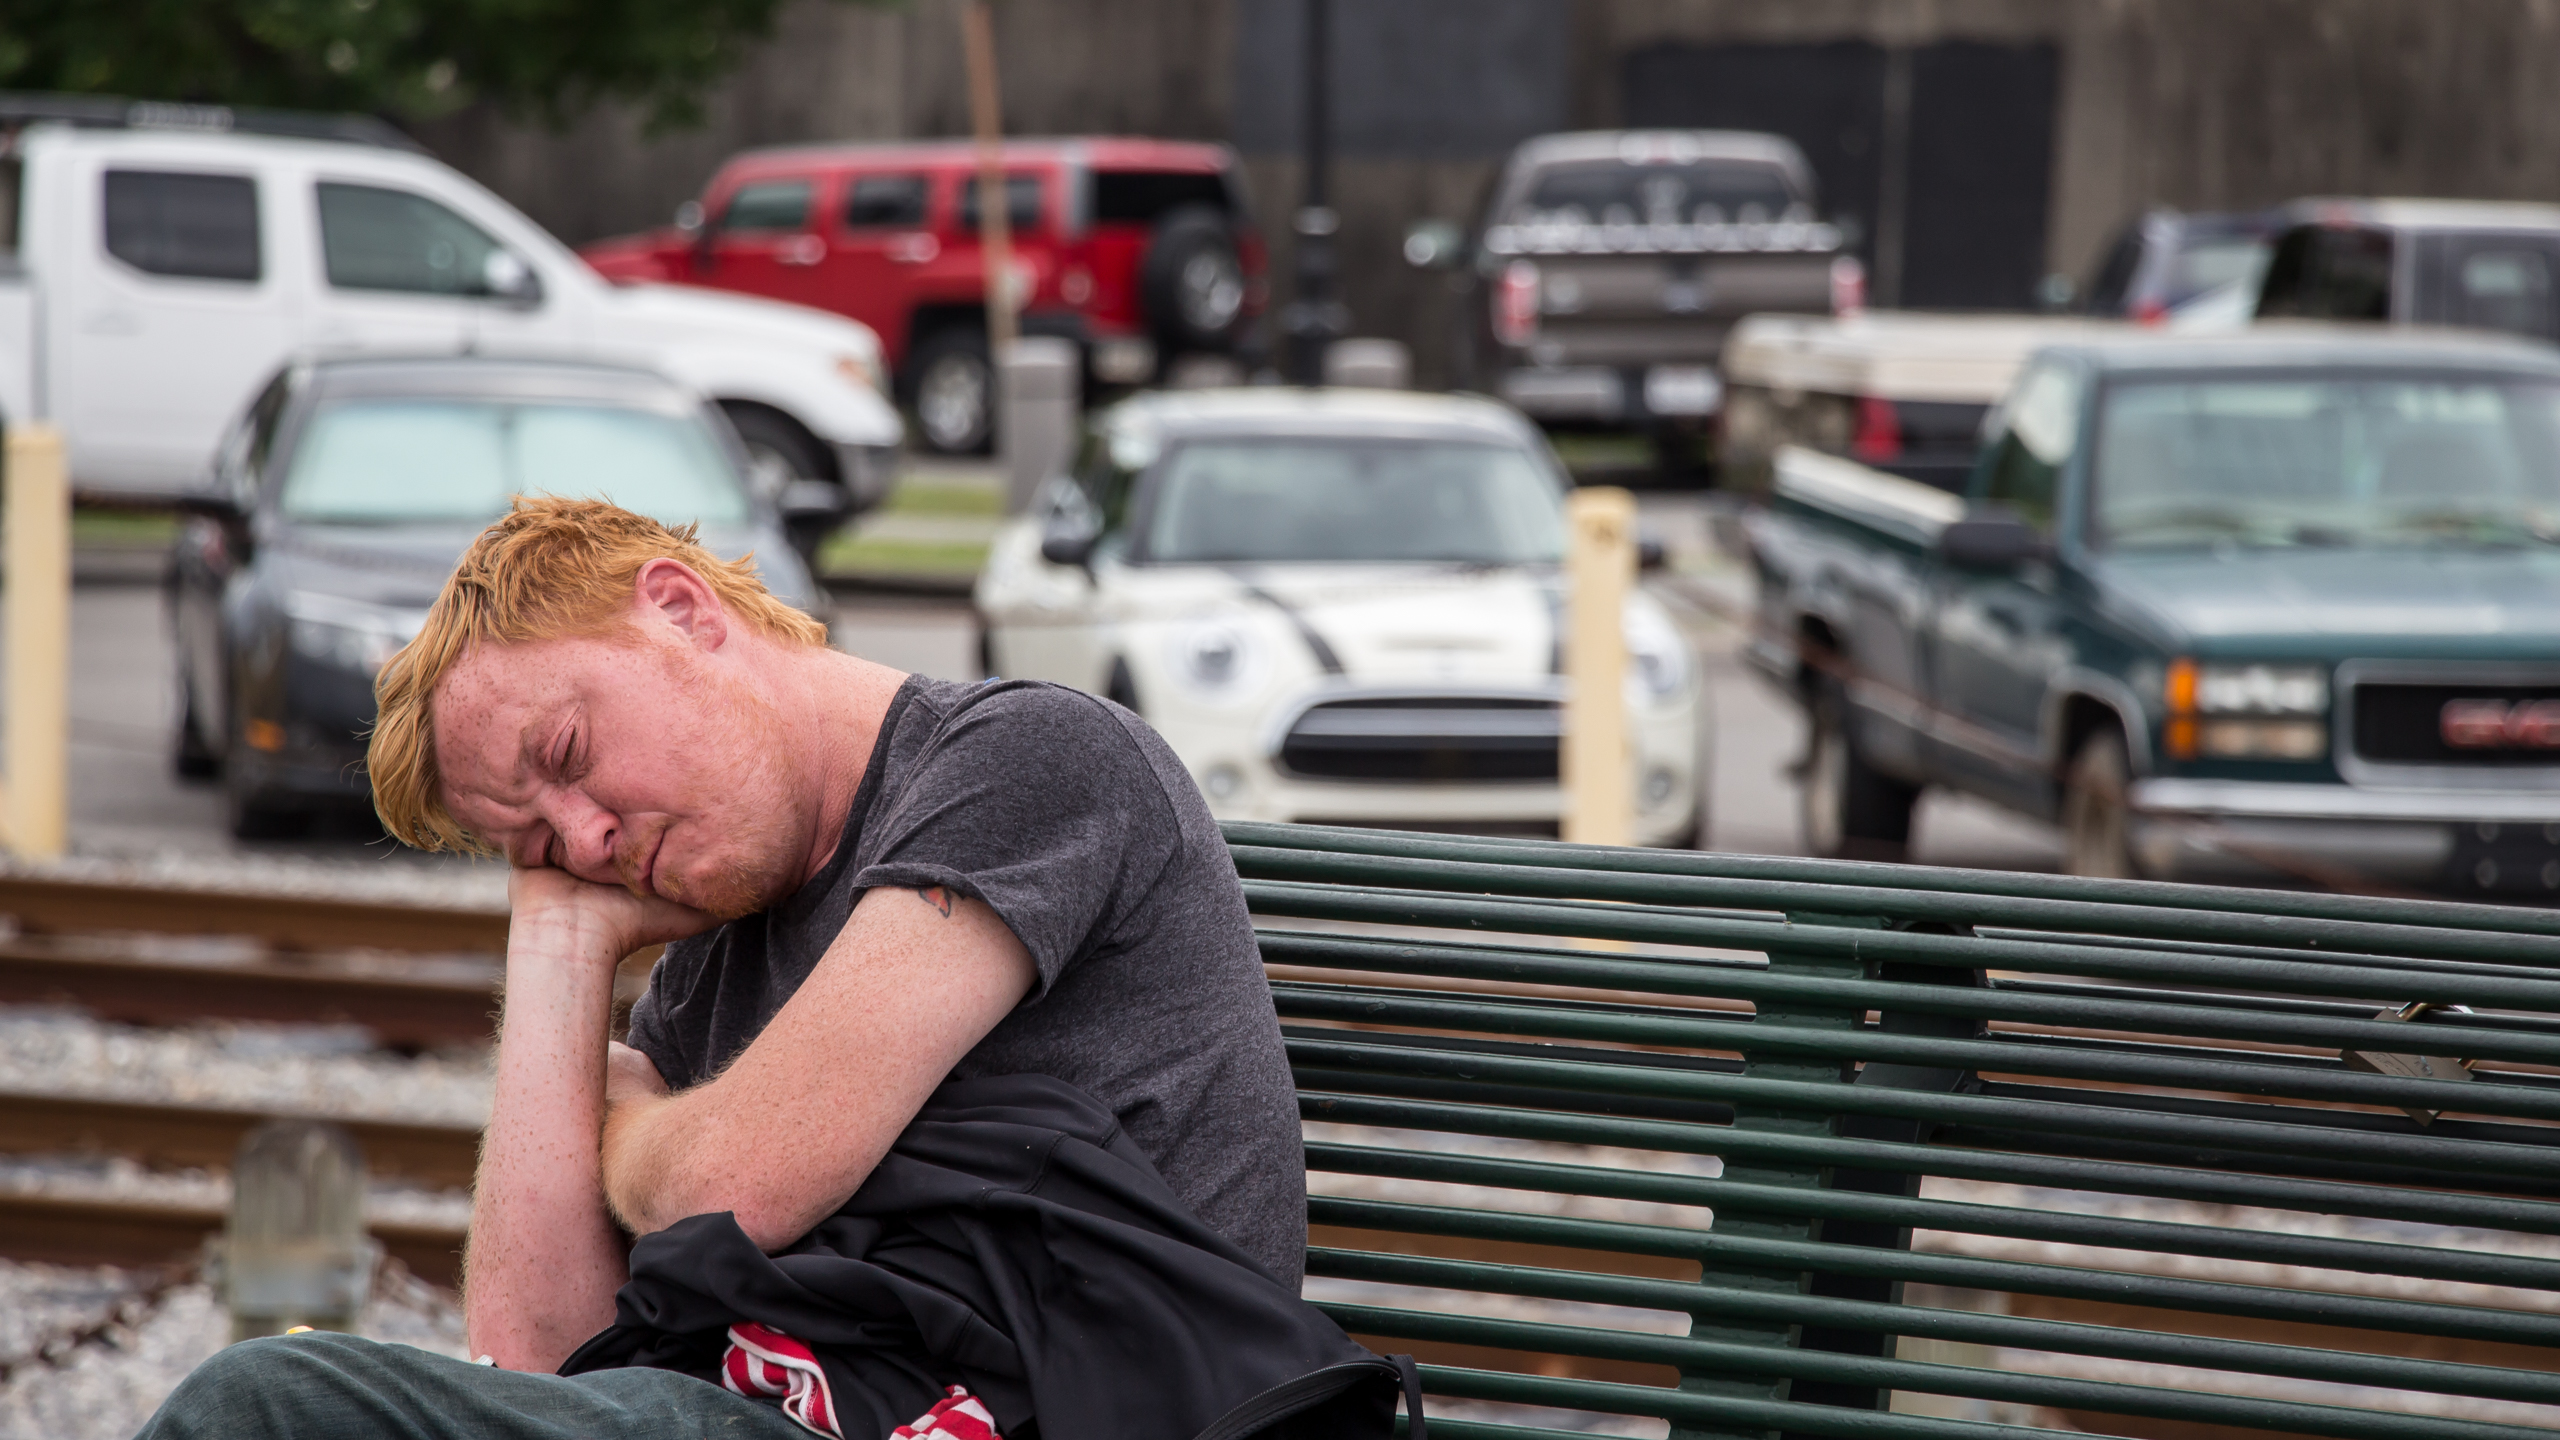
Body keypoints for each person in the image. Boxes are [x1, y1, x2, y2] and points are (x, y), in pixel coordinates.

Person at [136, 497, 1307, 1438]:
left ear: (684, 610)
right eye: (536, 841)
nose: (586, 842)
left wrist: (636, 1128)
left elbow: (733, 1186)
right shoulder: (717, 933)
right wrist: (557, 940)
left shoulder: (1029, 762)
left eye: (570, 754)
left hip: (1048, 1400)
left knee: (264, 1409)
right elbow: (537, 1359)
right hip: (806, 1398)